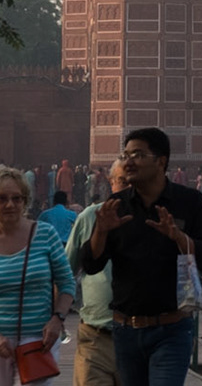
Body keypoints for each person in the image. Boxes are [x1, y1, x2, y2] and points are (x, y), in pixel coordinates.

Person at [80, 127, 202, 386]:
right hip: (125, 331)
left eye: (138, 154)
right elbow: (91, 264)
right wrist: (100, 231)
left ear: (161, 161)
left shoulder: (189, 202)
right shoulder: (117, 205)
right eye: (125, 155)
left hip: (171, 329)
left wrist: (178, 237)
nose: (129, 161)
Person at [0, 167, 77, 386]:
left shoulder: (45, 235)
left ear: (25, 201)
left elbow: (67, 282)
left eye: (16, 198)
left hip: (39, 339)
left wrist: (57, 319)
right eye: (2, 198)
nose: (10, 204)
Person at [64, 159, 128, 386]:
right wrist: (54, 317)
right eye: (122, 181)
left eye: (133, 182)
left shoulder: (151, 220)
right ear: (111, 183)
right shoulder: (89, 217)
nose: (127, 187)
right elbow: (65, 270)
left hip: (138, 337)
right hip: (96, 334)